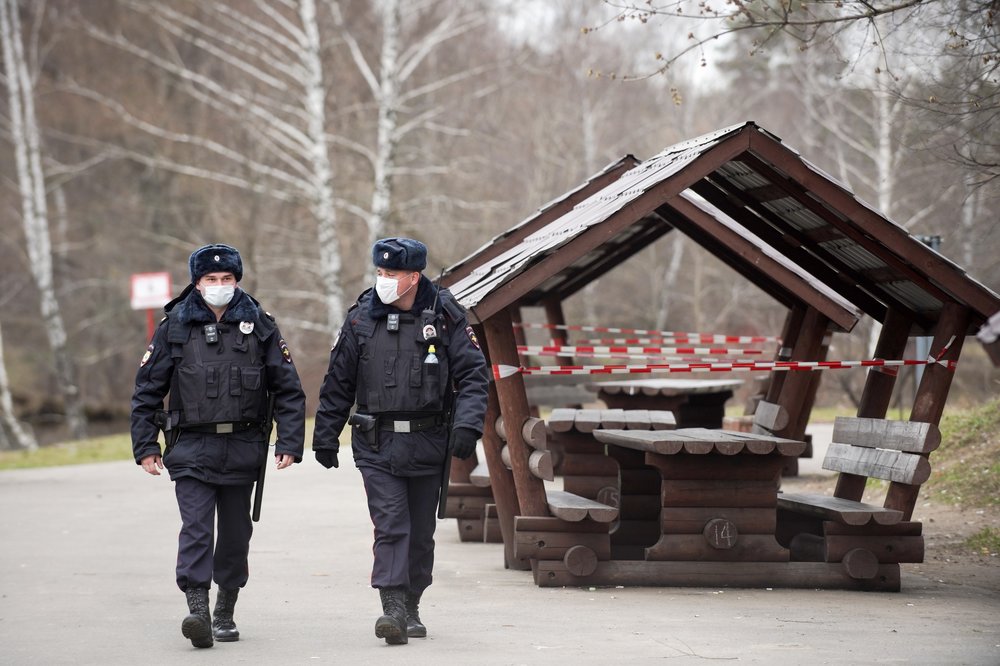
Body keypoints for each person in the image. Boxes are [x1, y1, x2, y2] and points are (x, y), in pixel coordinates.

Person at [313, 237, 488, 645]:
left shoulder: (445, 317)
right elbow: (338, 382)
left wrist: (467, 426)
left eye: (391, 274)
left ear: (414, 277)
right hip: (377, 443)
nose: (383, 280)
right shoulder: (360, 319)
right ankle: (391, 607)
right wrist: (325, 434)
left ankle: (412, 602)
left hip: (430, 442)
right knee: (391, 524)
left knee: (421, 531)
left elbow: (474, 376)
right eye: (379, 273)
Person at [130, 243, 305, 649]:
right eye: (211, 280)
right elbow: (146, 392)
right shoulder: (175, 326)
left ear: (237, 281)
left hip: (244, 447)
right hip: (190, 448)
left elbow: (289, 389)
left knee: (235, 534)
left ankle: (225, 609)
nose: (220, 286)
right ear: (197, 282)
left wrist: (290, 441)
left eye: (227, 279)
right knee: (195, 529)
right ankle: (198, 609)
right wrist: (145, 446)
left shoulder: (260, 324)